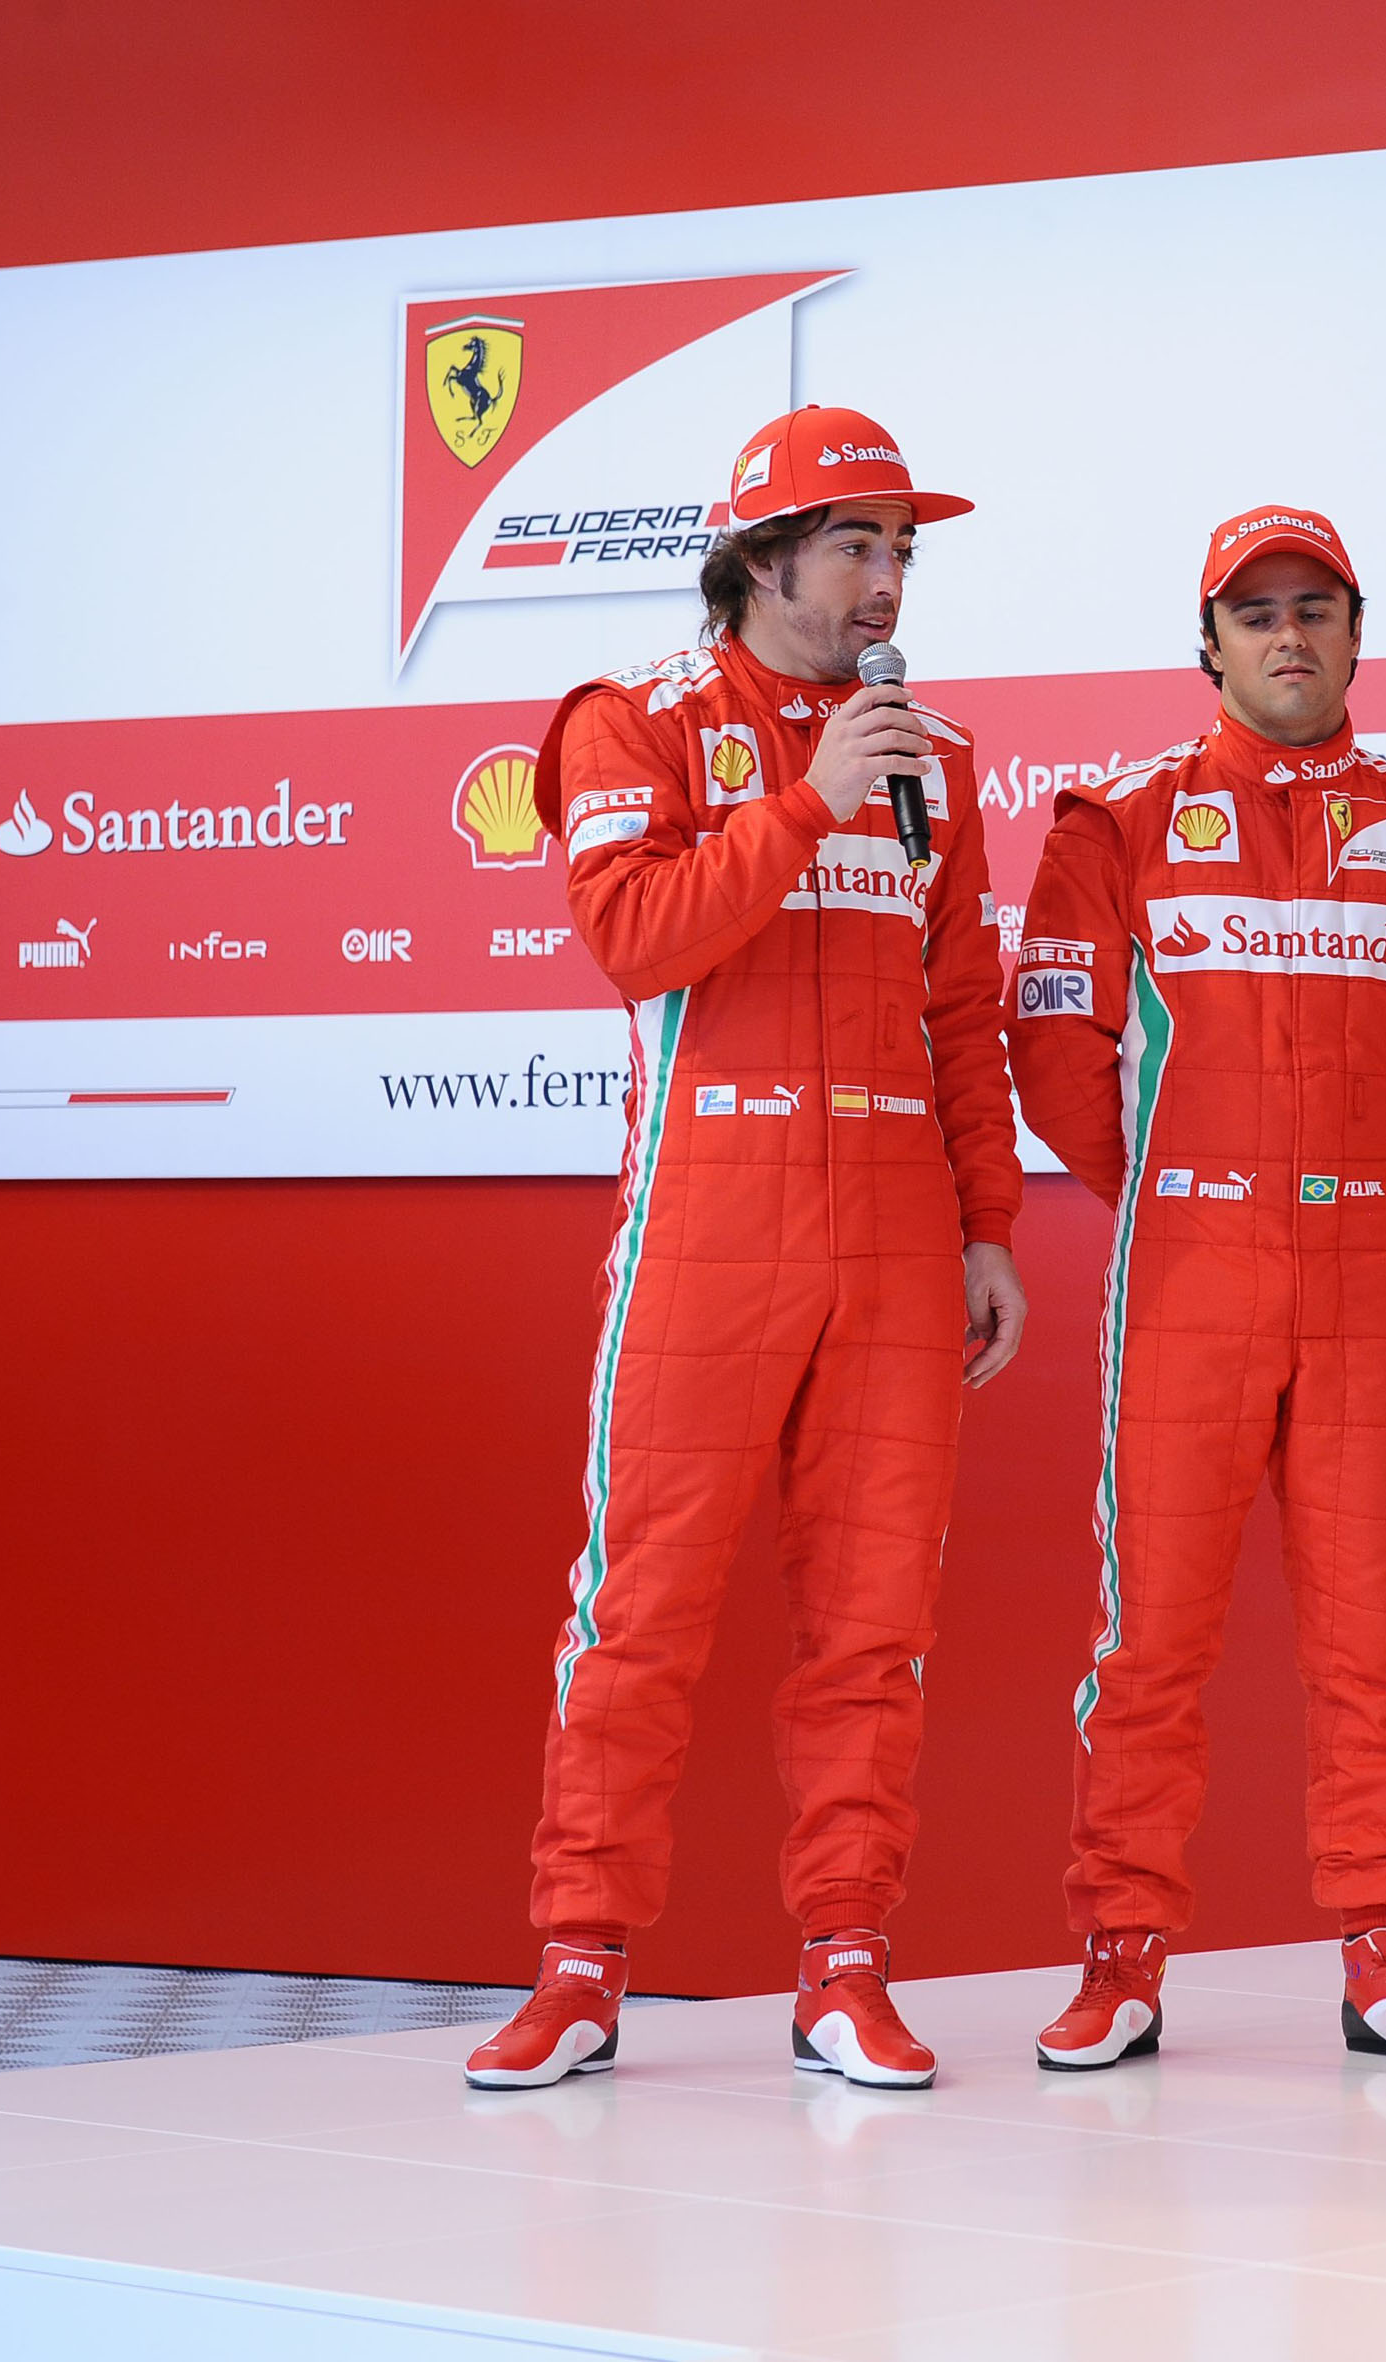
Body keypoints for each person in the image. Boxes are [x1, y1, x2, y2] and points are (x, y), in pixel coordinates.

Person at [464, 406, 1027, 2096]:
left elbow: (963, 1009)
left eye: (902, 548)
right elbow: (636, 938)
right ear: (762, 557)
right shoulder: (632, 719)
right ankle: (579, 1964)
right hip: (710, 1221)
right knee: (640, 1606)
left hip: (898, 1234)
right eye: (857, 543)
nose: (888, 577)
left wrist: (990, 1225)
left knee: (873, 1624)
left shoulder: (929, 755)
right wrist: (804, 800)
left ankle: (846, 1965)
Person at [1008, 507, 1386, 2072]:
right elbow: (1055, 1046)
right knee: (1151, 1639)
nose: (1289, 634)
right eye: (1257, 611)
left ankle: (1383, 1953)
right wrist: (1178, 1181)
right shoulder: (1122, 818)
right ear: (1209, 643)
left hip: (1360, 1272)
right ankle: (1120, 1956)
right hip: (1187, 1275)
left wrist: (1358, 1179)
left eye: (1316, 607)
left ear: (1358, 633)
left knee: (1372, 1645)